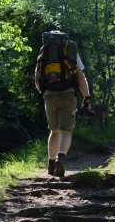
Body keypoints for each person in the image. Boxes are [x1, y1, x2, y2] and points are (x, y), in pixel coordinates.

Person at [35, 33, 93, 177]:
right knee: (65, 130)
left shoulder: (43, 52)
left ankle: (50, 165)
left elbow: (37, 79)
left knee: (54, 131)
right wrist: (87, 98)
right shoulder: (70, 51)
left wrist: (44, 93)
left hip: (49, 95)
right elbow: (80, 77)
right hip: (67, 94)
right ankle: (60, 159)